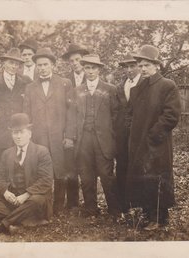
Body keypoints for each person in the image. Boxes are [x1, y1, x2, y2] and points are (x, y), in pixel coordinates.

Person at [126, 45, 181, 230]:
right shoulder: (140, 86)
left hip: (157, 143)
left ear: (157, 65)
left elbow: (171, 115)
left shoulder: (167, 85)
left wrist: (153, 136)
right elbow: (132, 113)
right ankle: (149, 214)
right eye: (140, 65)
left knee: (157, 178)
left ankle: (159, 218)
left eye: (147, 65)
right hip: (140, 143)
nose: (143, 69)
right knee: (143, 178)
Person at [66, 54, 121, 218]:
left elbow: (116, 116)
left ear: (99, 69)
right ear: (84, 69)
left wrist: (113, 138)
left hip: (103, 140)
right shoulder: (77, 91)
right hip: (83, 139)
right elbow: (71, 116)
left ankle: (114, 209)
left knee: (106, 175)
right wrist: (70, 137)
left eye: (93, 68)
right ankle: (90, 208)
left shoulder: (110, 89)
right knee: (86, 175)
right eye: (87, 68)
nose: (90, 71)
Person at [0, 113, 53, 234]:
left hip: (31, 199)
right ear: (11, 135)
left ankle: (3, 225)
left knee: (37, 200)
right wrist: (5, 192)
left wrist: (26, 195)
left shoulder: (41, 152)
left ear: (29, 134)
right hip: (13, 200)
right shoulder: (7, 153)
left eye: (22, 132)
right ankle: (22, 221)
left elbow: (46, 180)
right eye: (15, 133)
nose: (18, 136)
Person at [23, 47, 74, 214]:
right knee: (42, 171)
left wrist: (68, 135)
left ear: (52, 64)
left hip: (59, 136)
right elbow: (27, 114)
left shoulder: (65, 83)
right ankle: (44, 206)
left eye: (45, 64)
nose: (42, 68)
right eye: (39, 65)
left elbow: (71, 111)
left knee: (60, 171)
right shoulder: (30, 87)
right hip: (39, 137)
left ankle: (59, 207)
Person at [61, 43, 90, 210]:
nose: (75, 63)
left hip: (87, 130)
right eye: (71, 61)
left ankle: (89, 203)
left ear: (83, 60)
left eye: (78, 59)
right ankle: (72, 203)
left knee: (86, 167)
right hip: (70, 129)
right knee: (70, 166)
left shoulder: (93, 77)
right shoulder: (65, 82)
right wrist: (67, 134)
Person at [115, 54, 143, 212]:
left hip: (139, 133)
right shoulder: (120, 86)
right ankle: (123, 204)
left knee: (138, 166)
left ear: (139, 67)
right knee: (122, 166)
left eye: (133, 66)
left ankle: (139, 203)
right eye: (127, 67)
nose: (130, 70)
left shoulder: (146, 84)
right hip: (122, 135)